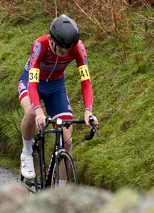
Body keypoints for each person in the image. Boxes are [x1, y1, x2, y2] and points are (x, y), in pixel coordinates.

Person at [17, 14, 98, 181]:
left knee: (67, 142)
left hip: (56, 88)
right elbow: (32, 84)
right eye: (61, 49)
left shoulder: (79, 48)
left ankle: (59, 193)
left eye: (68, 50)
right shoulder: (40, 45)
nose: (65, 53)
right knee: (31, 114)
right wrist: (39, 111)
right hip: (33, 83)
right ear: (52, 40)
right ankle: (26, 152)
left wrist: (88, 111)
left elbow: (86, 82)